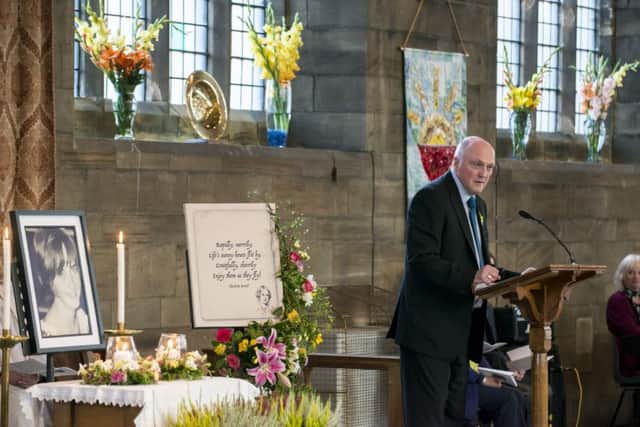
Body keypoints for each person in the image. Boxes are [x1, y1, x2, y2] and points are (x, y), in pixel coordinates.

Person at [387, 136, 518, 426]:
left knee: (457, 419)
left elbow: (484, 267)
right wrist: (473, 278)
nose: (484, 173)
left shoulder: (478, 206)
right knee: (428, 420)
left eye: (489, 167)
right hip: (428, 334)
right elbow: (422, 261)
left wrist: (526, 278)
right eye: (477, 165)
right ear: (455, 162)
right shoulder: (430, 198)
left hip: (461, 336)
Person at [29, 228, 89, 337]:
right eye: (60, 272)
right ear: (48, 280)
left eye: (74, 268)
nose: (72, 281)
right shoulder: (44, 335)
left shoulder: (85, 322)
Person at [607, 254, 640, 376]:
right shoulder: (617, 300)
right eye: (631, 272)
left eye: (639, 272)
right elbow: (632, 333)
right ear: (622, 276)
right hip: (632, 359)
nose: (636, 277)